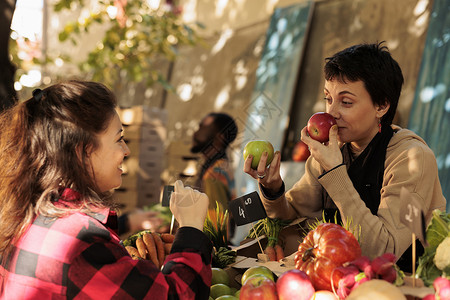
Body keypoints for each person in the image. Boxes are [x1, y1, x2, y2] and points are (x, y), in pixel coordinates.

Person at [0, 80, 212, 299]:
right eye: (119, 139)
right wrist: (191, 229)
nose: (126, 150)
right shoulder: (81, 240)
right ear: (82, 151)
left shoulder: (27, 218)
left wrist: (133, 274)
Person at [244, 42, 446, 271]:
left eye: (346, 102)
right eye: (328, 99)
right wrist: (272, 188)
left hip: (401, 286)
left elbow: (383, 252)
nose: (331, 113)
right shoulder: (334, 149)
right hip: (340, 279)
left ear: (381, 106)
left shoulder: (412, 159)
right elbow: (292, 214)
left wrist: (334, 172)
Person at [191, 112, 238, 241]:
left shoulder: (214, 175)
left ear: (220, 137)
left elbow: (217, 229)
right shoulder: (216, 166)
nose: (196, 132)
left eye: (202, 127)